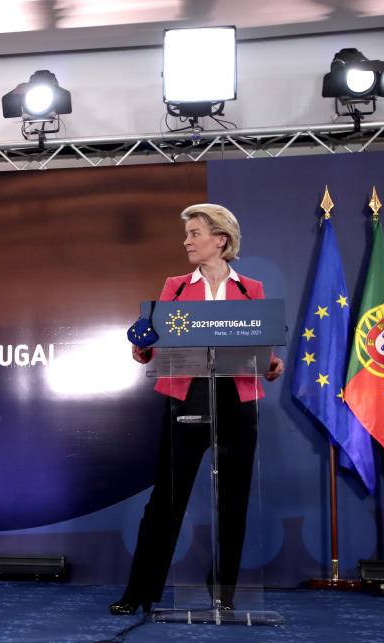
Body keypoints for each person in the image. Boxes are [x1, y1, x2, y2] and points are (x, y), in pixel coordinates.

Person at [110, 203, 284, 615]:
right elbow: (153, 340)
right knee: (166, 501)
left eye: (194, 233)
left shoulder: (251, 290)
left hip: (237, 401)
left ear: (220, 239)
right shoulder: (175, 286)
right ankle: (139, 591)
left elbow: (263, 351)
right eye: (187, 234)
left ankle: (222, 592)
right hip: (186, 396)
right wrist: (141, 345)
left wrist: (271, 364)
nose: (186, 241)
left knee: (234, 500)